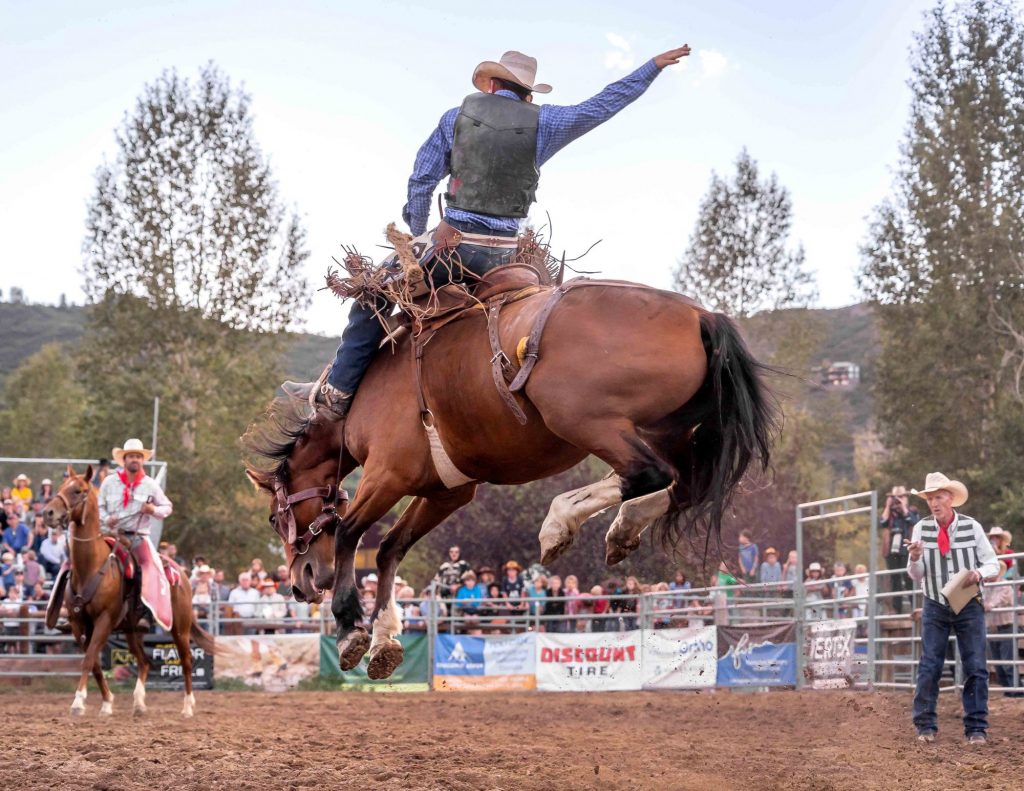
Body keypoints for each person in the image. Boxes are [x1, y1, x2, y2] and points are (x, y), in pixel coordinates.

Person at [281, 44, 693, 423]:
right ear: (529, 96)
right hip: (508, 258)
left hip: (451, 250)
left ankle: (337, 390)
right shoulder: (545, 123)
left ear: (491, 85)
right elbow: (602, 105)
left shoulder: (455, 118)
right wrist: (651, 68)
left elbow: (421, 180)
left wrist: (418, 232)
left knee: (370, 293)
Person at [906, 472, 1001, 744]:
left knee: (976, 666)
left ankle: (976, 728)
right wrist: (914, 558)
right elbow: (916, 574)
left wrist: (979, 573)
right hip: (935, 602)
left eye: (938, 497)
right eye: (930, 499)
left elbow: (992, 563)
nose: (934, 503)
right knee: (930, 665)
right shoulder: (921, 529)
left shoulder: (972, 527)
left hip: (968, 602)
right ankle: (925, 725)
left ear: (951, 499)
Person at [97, 438, 174, 630]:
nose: (135, 460)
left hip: (137, 536)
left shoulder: (150, 484)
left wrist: (153, 510)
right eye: (131, 456)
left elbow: (167, 507)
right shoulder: (109, 482)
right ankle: (74, 607)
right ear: (124, 459)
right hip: (109, 534)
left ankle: (144, 614)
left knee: (148, 567)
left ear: (143, 460)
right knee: (82, 560)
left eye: (138, 457)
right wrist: (107, 519)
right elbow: (99, 507)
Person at [982, 564, 1022, 697]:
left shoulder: (1005, 586)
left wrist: (989, 605)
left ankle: (1016, 692)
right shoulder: (985, 586)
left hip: (1005, 628)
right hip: (992, 628)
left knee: (1008, 663)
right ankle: (1008, 691)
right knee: (998, 665)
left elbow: (996, 601)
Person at [880, 485, 917, 614]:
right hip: (892, 550)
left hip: (906, 549)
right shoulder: (890, 514)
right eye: (895, 497)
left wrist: (903, 507)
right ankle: (897, 609)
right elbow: (882, 522)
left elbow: (913, 521)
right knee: (894, 579)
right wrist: (887, 506)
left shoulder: (912, 511)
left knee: (909, 578)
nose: (898, 500)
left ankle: (914, 607)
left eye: (901, 497)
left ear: (906, 498)